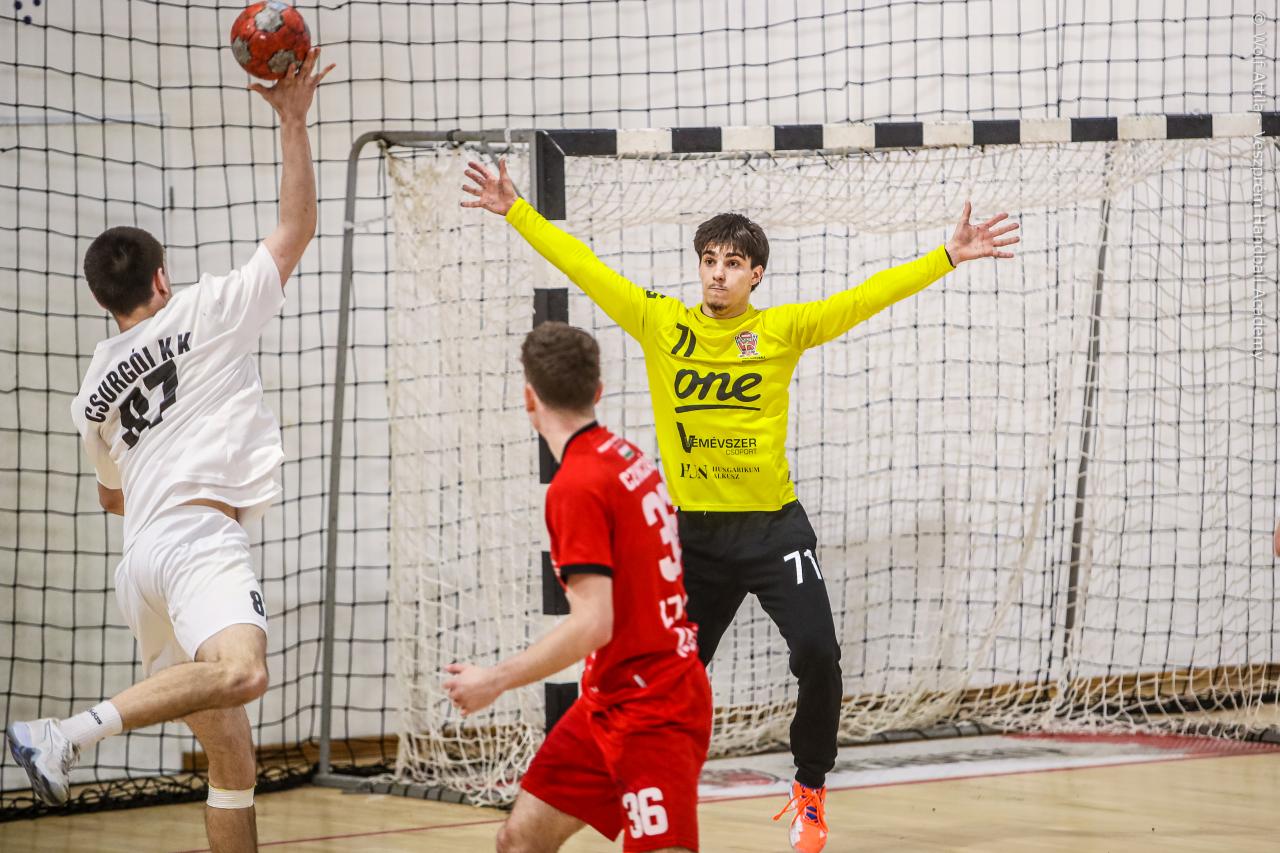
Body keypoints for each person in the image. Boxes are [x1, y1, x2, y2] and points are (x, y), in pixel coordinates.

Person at [462, 159, 1019, 852]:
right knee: (665, 673)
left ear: (756, 274)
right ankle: (617, 781)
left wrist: (947, 256)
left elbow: (865, 297)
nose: (717, 274)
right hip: (694, 541)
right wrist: (517, 210)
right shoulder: (661, 323)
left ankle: (809, 787)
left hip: (773, 529)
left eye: (732, 263)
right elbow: (585, 266)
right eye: (709, 261)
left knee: (818, 651)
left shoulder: (782, 330)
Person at [5, 49, 334, 853]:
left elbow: (111, 495)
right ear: (161, 277)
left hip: (141, 564)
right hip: (197, 541)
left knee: (232, 759)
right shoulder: (209, 309)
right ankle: (65, 734)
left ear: (103, 299)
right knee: (244, 672)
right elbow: (296, 228)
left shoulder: (93, 387)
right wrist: (292, 120)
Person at [444, 322, 712, 853]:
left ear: (529, 398)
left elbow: (593, 624)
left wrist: (494, 680)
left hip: (655, 708)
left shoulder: (576, 484)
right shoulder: (627, 456)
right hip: (606, 700)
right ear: (598, 391)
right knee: (519, 840)